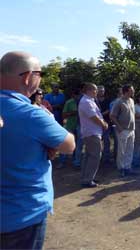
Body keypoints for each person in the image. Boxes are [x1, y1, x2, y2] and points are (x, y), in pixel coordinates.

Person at [0, 51, 75, 250]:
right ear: (27, 77)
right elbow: (69, 145)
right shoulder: (32, 114)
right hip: (21, 217)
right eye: (39, 73)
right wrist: (46, 142)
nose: (41, 78)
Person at [78, 83, 108, 187]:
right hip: (92, 133)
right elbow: (93, 117)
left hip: (92, 132)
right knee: (95, 156)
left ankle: (87, 177)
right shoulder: (86, 101)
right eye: (95, 90)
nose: (97, 92)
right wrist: (103, 124)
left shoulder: (89, 101)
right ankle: (87, 180)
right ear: (89, 90)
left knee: (89, 156)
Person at [110, 85, 136, 177]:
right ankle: (121, 168)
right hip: (123, 130)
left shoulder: (132, 101)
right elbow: (112, 116)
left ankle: (127, 167)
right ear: (126, 91)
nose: (133, 92)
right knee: (122, 150)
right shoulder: (119, 102)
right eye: (131, 90)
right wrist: (119, 127)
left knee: (130, 149)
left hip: (131, 129)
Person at [57, 89, 81, 169]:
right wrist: (73, 113)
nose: (78, 97)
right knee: (65, 143)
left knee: (78, 144)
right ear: (73, 95)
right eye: (76, 95)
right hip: (69, 125)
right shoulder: (69, 102)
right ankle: (61, 161)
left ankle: (76, 162)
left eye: (79, 95)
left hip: (79, 125)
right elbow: (64, 114)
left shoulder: (81, 102)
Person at [97, 85, 112, 164]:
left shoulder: (108, 100)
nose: (101, 92)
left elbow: (110, 110)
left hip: (106, 123)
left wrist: (101, 114)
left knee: (107, 141)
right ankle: (97, 158)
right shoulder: (94, 100)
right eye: (100, 91)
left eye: (102, 91)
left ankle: (106, 158)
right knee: (97, 142)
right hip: (96, 124)